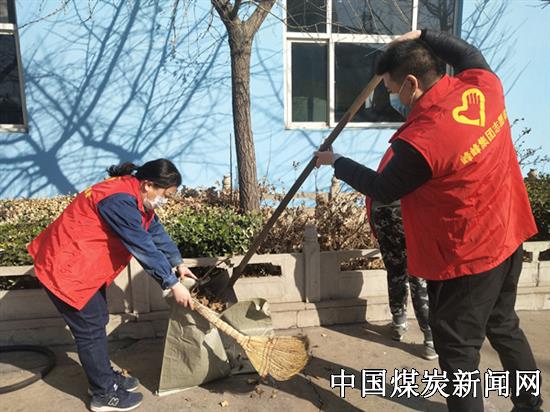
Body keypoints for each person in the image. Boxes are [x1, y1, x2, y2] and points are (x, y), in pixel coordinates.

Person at [316, 29, 542, 412]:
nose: (392, 98)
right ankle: (530, 405)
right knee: (504, 325)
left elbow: (383, 187)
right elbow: (467, 51)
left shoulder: (425, 138)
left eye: (391, 90)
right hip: (508, 234)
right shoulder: (482, 87)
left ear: (411, 83)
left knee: (458, 352)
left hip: (467, 258)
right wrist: (422, 33)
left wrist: (336, 161)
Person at [28, 159, 197, 412]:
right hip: (66, 269)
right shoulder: (119, 201)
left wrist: (177, 262)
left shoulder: (133, 194)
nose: (165, 201)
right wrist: (172, 284)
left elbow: (154, 231)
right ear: (148, 185)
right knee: (90, 330)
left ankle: (103, 377)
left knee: (96, 322)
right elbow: (142, 246)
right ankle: (103, 394)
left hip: (83, 267)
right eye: (166, 194)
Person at [366, 159, 436, 360]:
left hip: (381, 210)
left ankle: (398, 324)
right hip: (408, 210)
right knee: (418, 276)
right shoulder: (417, 150)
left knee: (395, 270)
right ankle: (430, 339)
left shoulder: (394, 152)